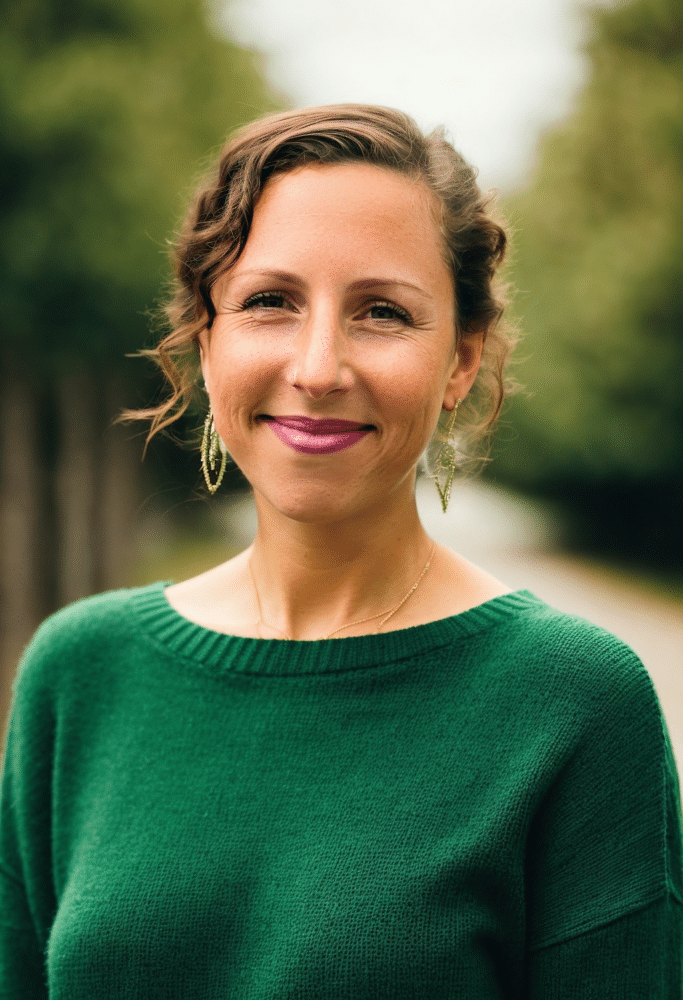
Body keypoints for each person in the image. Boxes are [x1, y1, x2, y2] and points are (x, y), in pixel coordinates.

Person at [0, 104, 681, 999]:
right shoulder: (78, 675)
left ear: (462, 360)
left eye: (382, 312)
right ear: (208, 341)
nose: (318, 367)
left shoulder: (577, 704)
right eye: (269, 301)